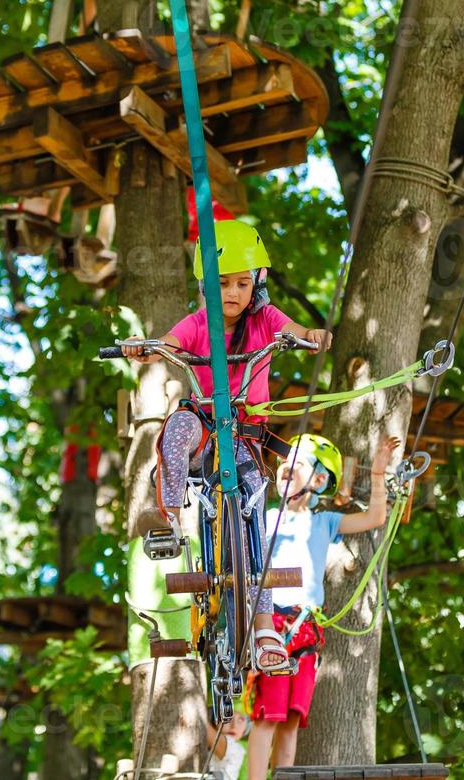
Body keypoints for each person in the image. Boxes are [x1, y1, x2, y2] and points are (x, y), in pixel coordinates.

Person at [121, 219, 331, 675]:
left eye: (241, 283)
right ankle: (170, 517)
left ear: (258, 283)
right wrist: (146, 349)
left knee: (255, 513)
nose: (232, 293)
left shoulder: (266, 320)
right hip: (203, 423)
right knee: (175, 430)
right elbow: (169, 344)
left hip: (243, 436)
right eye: (222, 284)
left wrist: (311, 336)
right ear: (205, 285)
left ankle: (262, 626)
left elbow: (293, 327)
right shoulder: (199, 323)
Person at [246, 432, 399, 780]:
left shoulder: (324, 522)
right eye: (286, 461)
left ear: (317, 480)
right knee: (267, 715)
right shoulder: (264, 519)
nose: (286, 467)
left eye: (297, 463)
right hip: (273, 626)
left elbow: (374, 518)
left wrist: (377, 476)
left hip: (306, 629)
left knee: (289, 721)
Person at [208, 709, 249, 779]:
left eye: (241, 720)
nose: (234, 726)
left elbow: (201, 724)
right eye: (227, 717)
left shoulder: (237, 750)